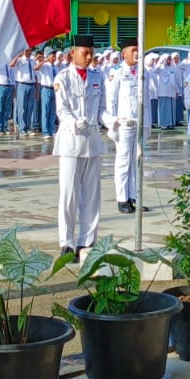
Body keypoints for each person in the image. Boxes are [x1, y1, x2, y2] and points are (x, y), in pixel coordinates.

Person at [54, 40, 107, 255]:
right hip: (71, 143)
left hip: (92, 142)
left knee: (92, 196)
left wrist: (113, 121)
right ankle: (66, 242)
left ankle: (87, 240)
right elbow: (62, 110)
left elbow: (102, 109)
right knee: (69, 195)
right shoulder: (63, 78)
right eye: (85, 53)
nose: (89, 58)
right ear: (72, 53)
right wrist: (74, 123)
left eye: (91, 54)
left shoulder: (97, 77)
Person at [105, 43, 142, 214]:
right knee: (124, 161)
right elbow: (111, 100)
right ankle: (122, 198)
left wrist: (147, 124)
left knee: (137, 161)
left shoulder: (142, 71)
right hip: (124, 124)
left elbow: (145, 100)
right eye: (132, 50)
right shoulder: (117, 72)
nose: (136, 53)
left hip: (138, 122)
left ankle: (134, 196)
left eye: (137, 50)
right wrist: (112, 124)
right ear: (123, 53)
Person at [12, 48, 39, 136]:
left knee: (30, 108)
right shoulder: (19, 60)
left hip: (31, 85)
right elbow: (11, 65)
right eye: (27, 50)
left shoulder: (32, 61)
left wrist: (36, 89)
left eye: (30, 50)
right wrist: (17, 56)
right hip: (22, 84)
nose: (29, 52)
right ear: (23, 51)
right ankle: (22, 128)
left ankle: (28, 128)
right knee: (22, 108)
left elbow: (35, 75)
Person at [38, 47, 58, 137]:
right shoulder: (44, 65)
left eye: (55, 56)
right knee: (45, 110)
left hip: (54, 90)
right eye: (52, 56)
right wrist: (45, 60)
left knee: (53, 111)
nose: (54, 58)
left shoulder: (55, 67)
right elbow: (36, 68)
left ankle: (52, 129)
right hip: (46, 89)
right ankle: (45, 131)